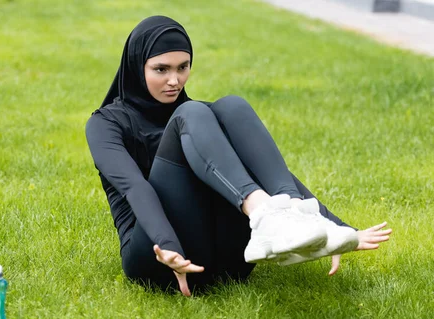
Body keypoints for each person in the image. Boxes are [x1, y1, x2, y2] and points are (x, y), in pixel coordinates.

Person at [85, 16, 391, 297]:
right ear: (138, 67)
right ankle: (263, 214)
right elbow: (135, 189)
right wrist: (167, 246)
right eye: (161, 69)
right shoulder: (106, 123)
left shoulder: (203, 119)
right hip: (156, 260)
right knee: (191, 113)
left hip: (228, 262)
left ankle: (289, 215)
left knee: (231, 107)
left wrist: (330, 228)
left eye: (183, 67)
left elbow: (260, 167)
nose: (175, 80)